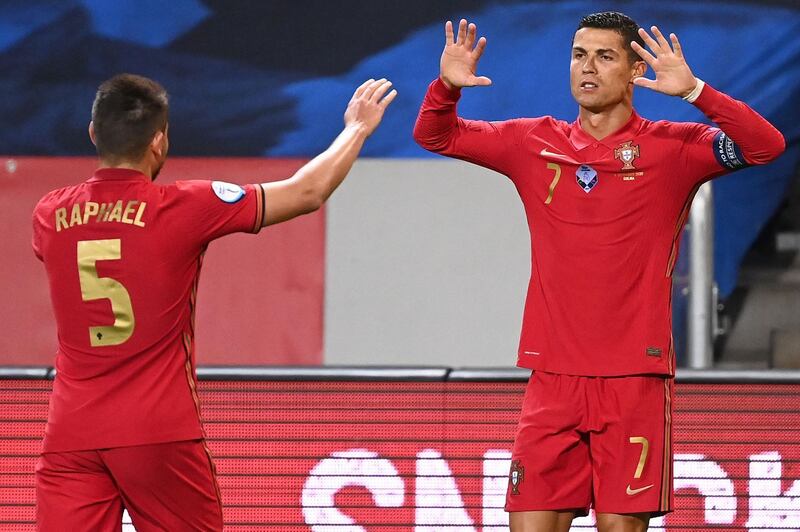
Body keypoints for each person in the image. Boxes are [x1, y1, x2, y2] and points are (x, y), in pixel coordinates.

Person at [413, 12, 784, 532]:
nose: (587, 67)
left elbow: (766, 146)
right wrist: (446, 87)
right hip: (553, 379)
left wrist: (696, 91)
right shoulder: (532, 142)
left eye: (604, 56)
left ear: (635, 71)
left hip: (634, 377)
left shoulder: (675, 147)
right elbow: (436, 136)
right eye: (578, 55)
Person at [32, 73, 396, 531]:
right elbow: (307, 192)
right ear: (159, 141)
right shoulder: (183, 206)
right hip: (159, 433)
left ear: (92, 134)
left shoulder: (50, 213)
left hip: (71, 433)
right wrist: (357, 129)